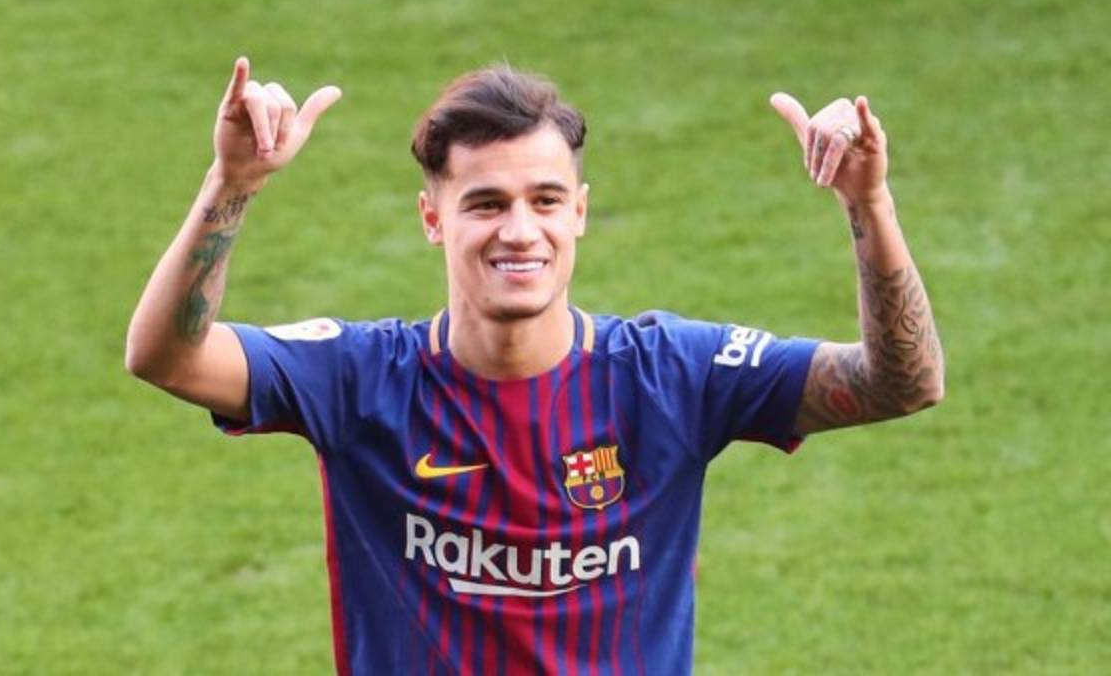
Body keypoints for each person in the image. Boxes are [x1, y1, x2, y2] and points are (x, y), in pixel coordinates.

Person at [125, 57, 944, 674]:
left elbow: (902, 383)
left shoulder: (673, 375)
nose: (520, 231)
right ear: (433, 218)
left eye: (545, 200)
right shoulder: (357, 378)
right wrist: (232, 182)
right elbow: (166, 356)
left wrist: (868, 202)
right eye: (486, 203)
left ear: (578, 213)